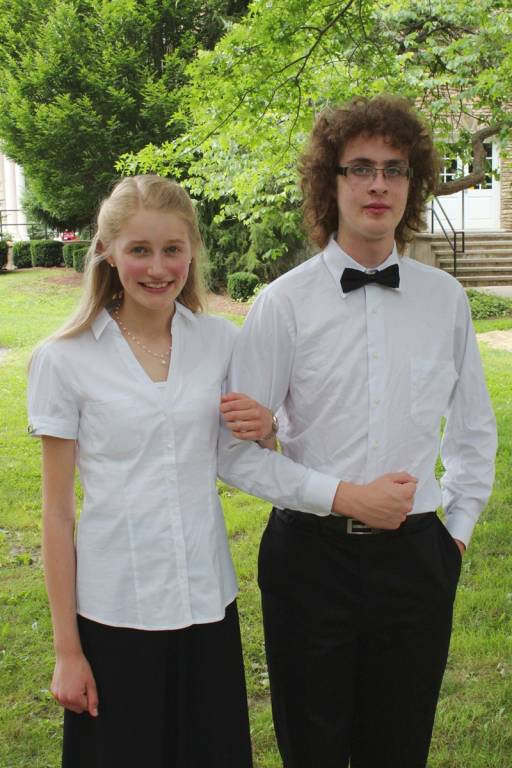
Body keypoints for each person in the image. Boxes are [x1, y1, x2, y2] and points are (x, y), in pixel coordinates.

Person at [27, 174, 381, 768]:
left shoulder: (220, 342)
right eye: (139, 250)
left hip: (206, 601)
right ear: (107, 252)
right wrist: (68, 650)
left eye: (172, 249)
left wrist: (265, 425)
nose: (157, 267)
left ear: (192, 250)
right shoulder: (64, 359)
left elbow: (245, 449)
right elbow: (57, 515)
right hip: (116, 609)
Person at [228, 95, 497, 768]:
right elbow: (235, 454)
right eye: (361, 168)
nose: (379, 185)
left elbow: (472, 431)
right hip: (308, 564)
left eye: (394, 169)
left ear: (413, 182)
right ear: (332, 181)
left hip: (417, 563)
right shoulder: (282, 304)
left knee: (399, 750)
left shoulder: (446, 301)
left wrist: (455, 535)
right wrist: (344, 496)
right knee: (311, 749)